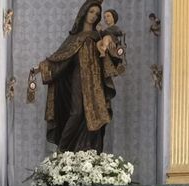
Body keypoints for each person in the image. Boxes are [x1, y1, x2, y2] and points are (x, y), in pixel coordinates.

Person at [36, 2, 126, 151]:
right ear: (84, 12)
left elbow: (113, 43)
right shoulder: (74, 38)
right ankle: (63, 152)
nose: (94, 16)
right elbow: (59, 58)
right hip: (78, 77)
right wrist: (40, 68)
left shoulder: (99, 35)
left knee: (96, 114)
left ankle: (91, 154)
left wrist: (110, 41)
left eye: (97, 14)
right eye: (91, 12)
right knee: (76, 112)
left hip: (95, 81)